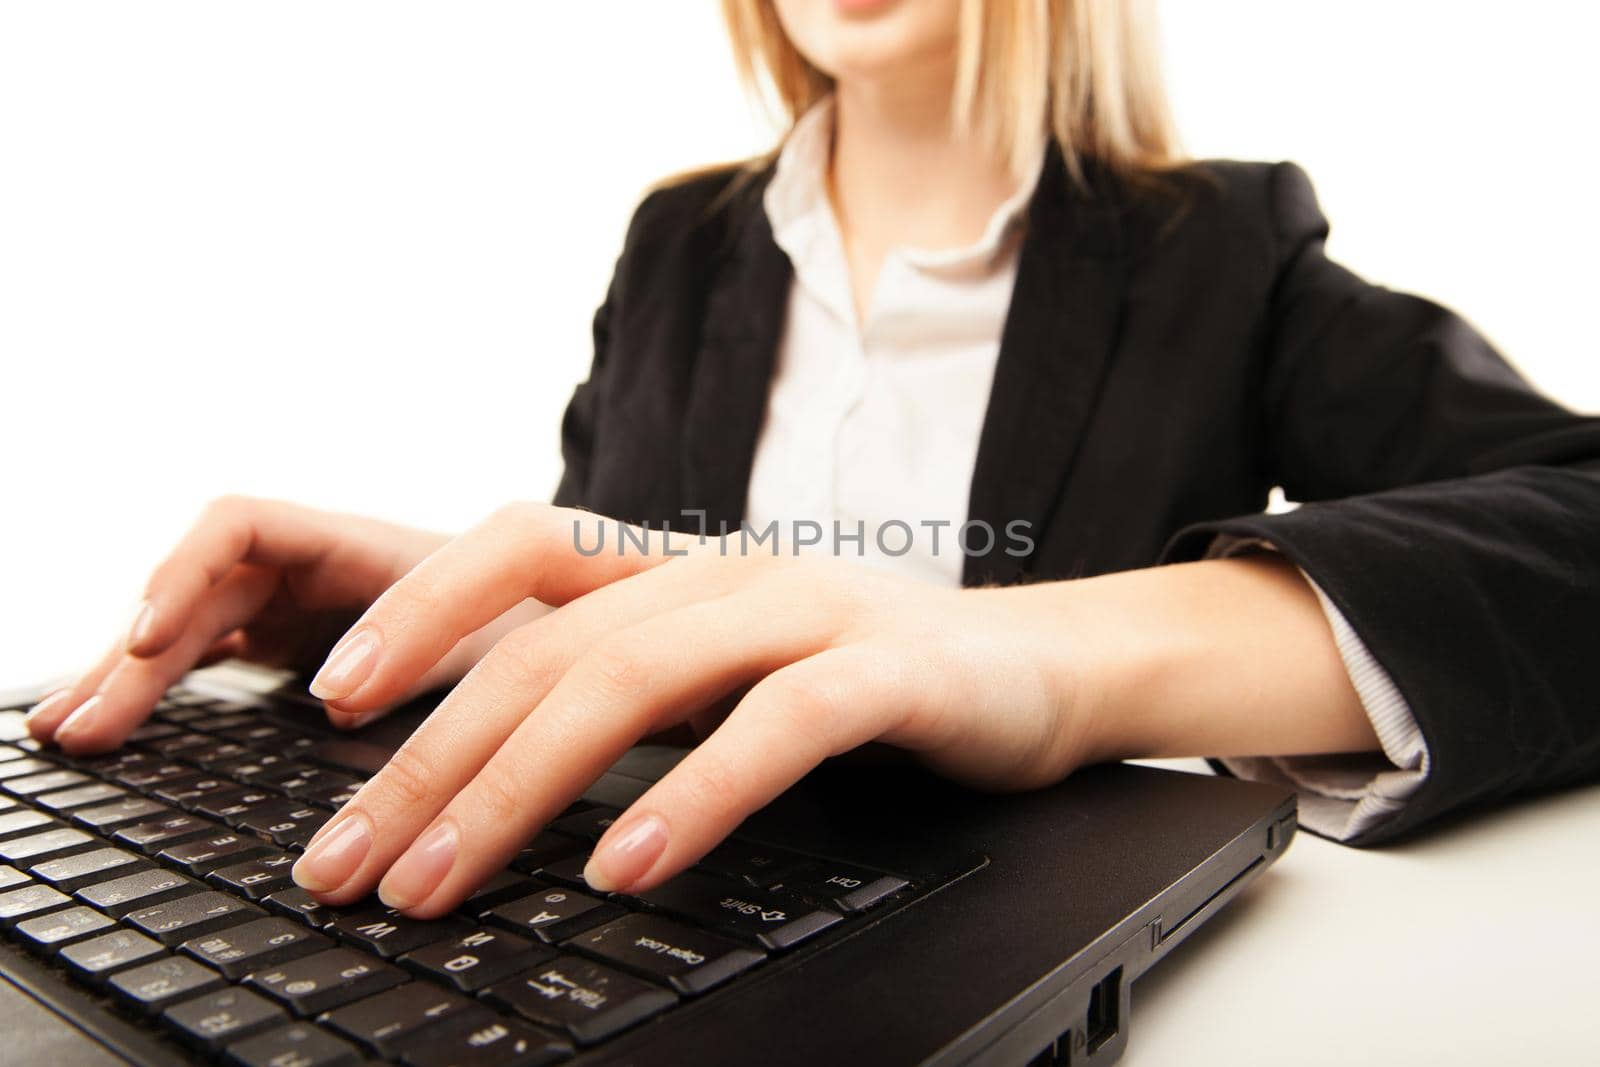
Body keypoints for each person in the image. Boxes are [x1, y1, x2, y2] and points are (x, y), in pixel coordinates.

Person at [25, 0, 1600, 921]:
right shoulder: (679, 250)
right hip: (633, 921)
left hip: (982, 937)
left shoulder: (1222, 251)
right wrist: (451, 612)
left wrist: (1036, 655)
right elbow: (663, 615)